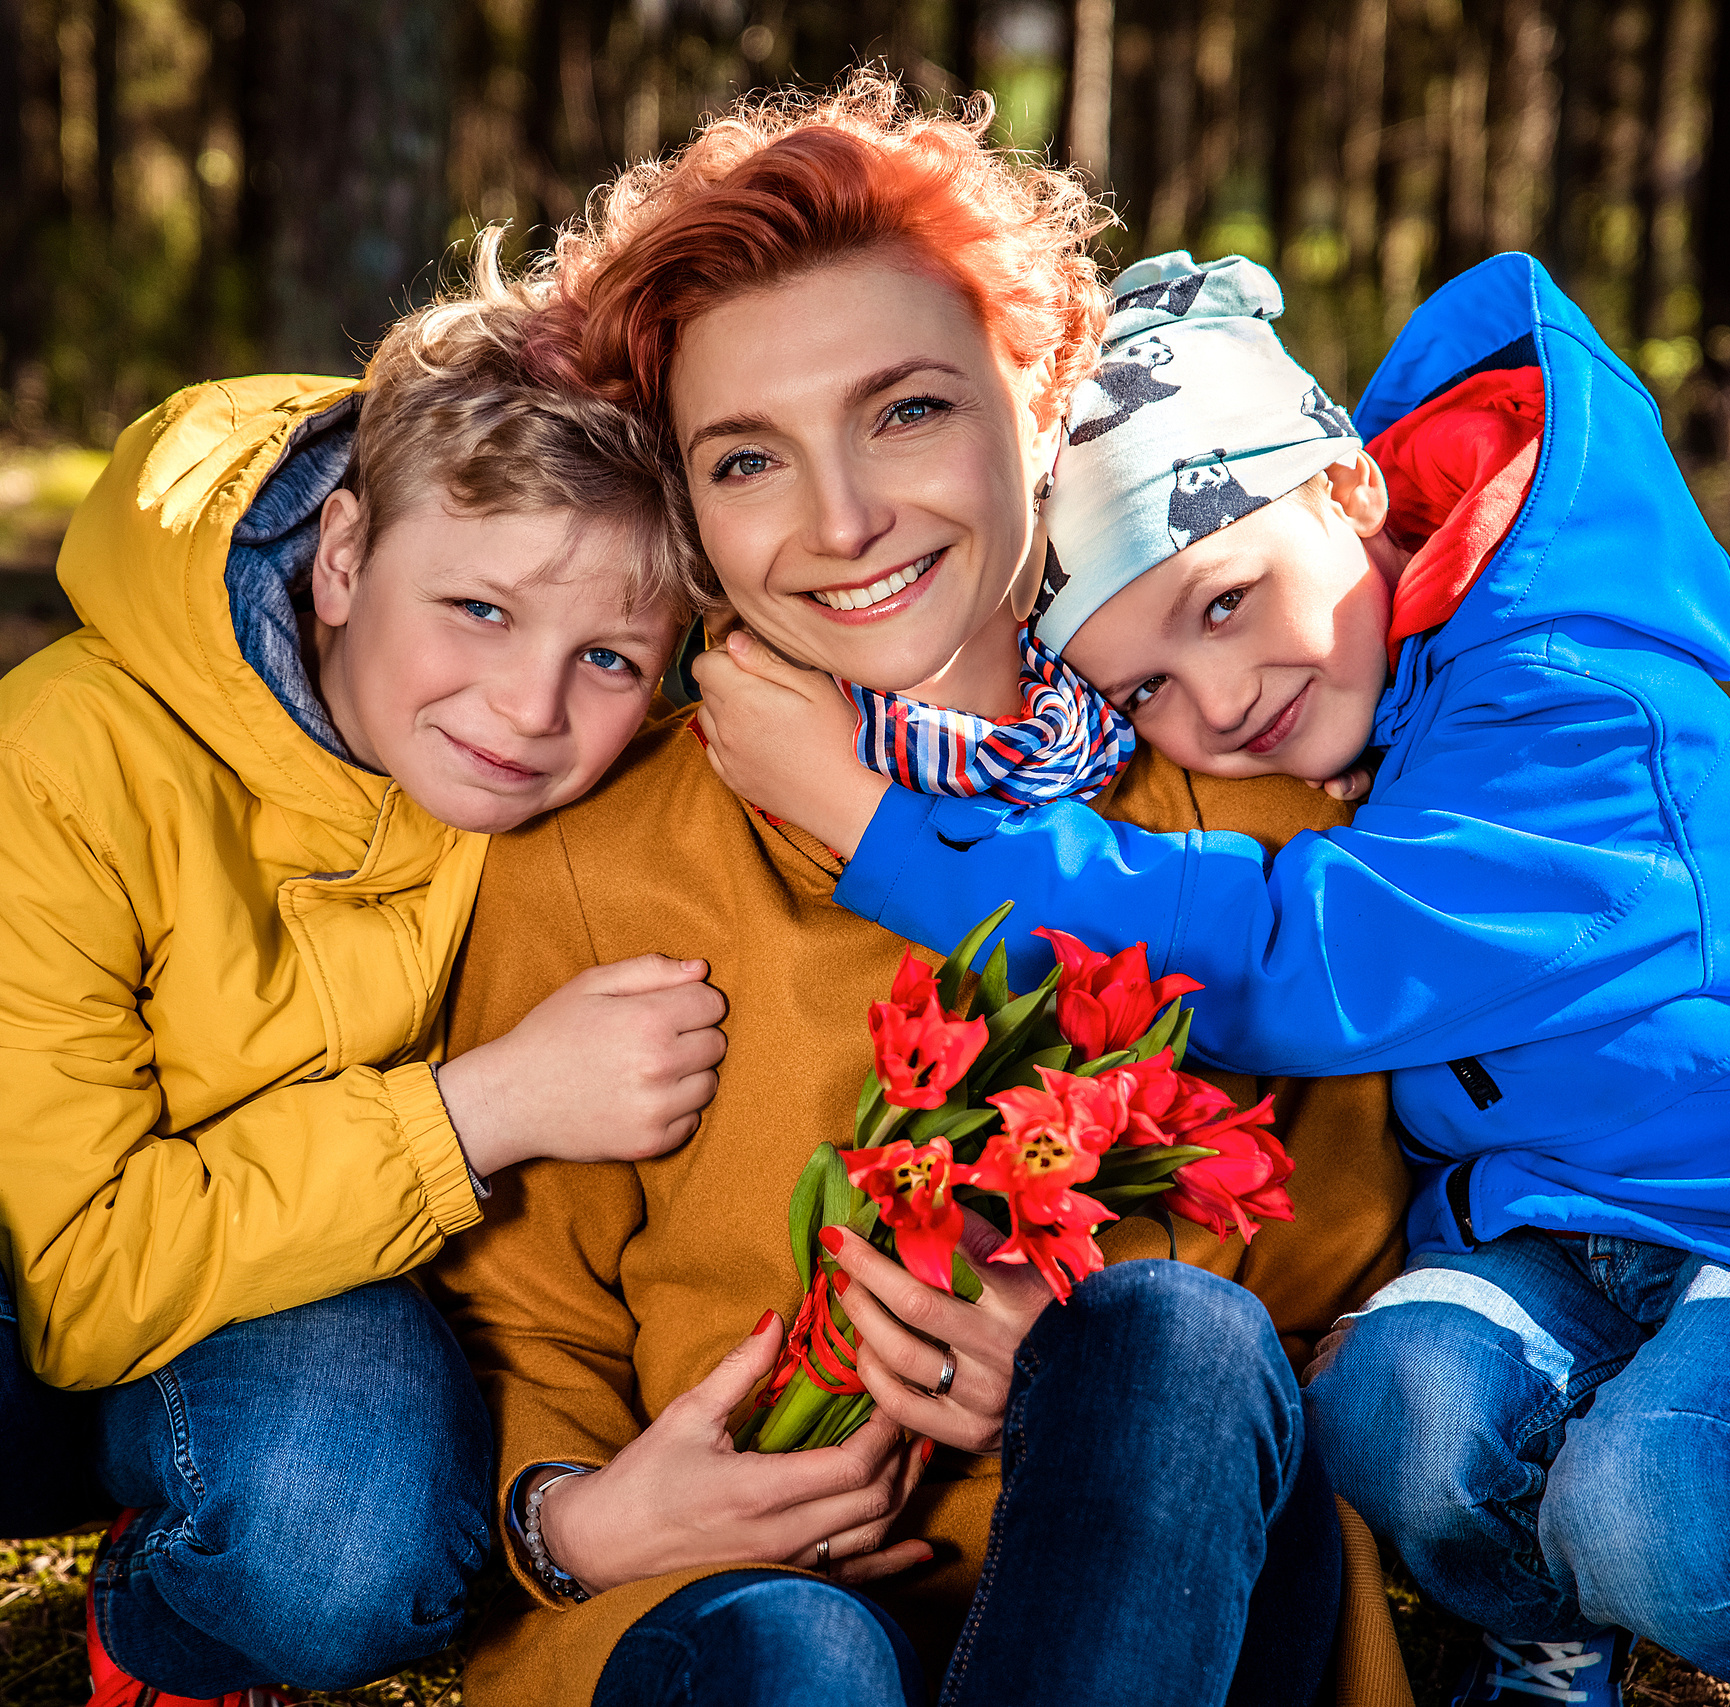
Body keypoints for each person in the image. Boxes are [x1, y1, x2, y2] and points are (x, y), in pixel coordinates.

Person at [693, 247, 1730, 1705]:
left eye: (1223, 603)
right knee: (1391, 1404)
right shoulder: (1381, 696)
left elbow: (1299, 952)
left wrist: (876, 826)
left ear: (1344, 489)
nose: (1218, 702)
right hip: (1545, 1241)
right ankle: (1547, 1645)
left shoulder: (1573, 696)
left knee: (1663, 1499)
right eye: (1144, 689)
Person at [424, 77, 1418, 1707]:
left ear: (1036, 400)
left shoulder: (1251, 812)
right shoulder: (597, 859)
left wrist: (1072, 1368)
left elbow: (1354, 1294)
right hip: (737, 1613)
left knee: (1165, 1346)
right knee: (794, 1657)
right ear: (687, 511)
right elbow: (513, 1328)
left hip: (1184, 1595)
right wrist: (576, 1519)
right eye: (747, 459)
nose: (843, 521)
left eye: (906, 413)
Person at [0, 245, 725, 1707]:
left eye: (609, 657)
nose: (530, 707)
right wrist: (476, 1113)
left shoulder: (574, 805)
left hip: (289, 1295)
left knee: (358, 1548)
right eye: (477, 610)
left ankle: (162, 1633)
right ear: (344, 556)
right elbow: (83, 1281)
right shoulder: (54, 757)